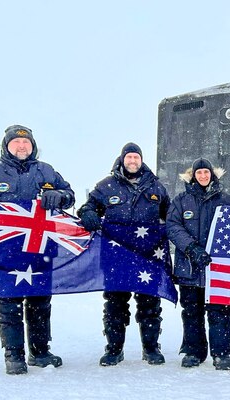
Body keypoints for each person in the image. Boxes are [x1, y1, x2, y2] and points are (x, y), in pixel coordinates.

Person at [77, 143, 170, 366]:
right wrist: (88, 214)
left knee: (149, 304)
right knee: (115, 304)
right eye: (129, 157)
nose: (132, 161)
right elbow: (87, 207)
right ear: (122, 160)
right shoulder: (106, 186)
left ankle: (151, 348)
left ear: (141, 160)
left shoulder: (156, 187)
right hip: (116, 255)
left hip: (147, 254)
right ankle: (114, 349)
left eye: (136, 157)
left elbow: (171, 215)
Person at [0, 125, 75, 375]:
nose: (22, 147)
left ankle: (40, 351)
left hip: (40, 248)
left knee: (40, 302)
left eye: (26, 143)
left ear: (32, 146)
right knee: (9, 303)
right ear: (6, 146)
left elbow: (70, 194)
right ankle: (14, 354)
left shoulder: (46, 170)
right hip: (6, 252)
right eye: (16, 143)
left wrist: (60, 196)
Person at [166, 158, 230, 370]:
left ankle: (221, 353)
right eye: (199, 173)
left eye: (206, 172)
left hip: (217, 271)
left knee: (220, 312)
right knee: (191, 312)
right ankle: (193, 351)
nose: (203, 176)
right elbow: (172, 226)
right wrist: (191, 248)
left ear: (212, 175)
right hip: (189, 267)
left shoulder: (226, 200)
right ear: (193, 176)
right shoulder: (181, 201)